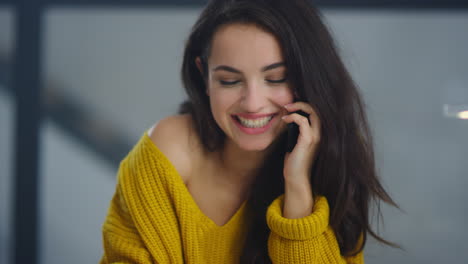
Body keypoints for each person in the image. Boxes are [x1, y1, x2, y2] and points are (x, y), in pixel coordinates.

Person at [100, 0, 400, 263]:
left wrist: (297, 187)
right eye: (230, 81)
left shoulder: (333, 168)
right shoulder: (166, 152)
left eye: (277, 78)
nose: (253, 103)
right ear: (204, 76)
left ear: (309, 78)